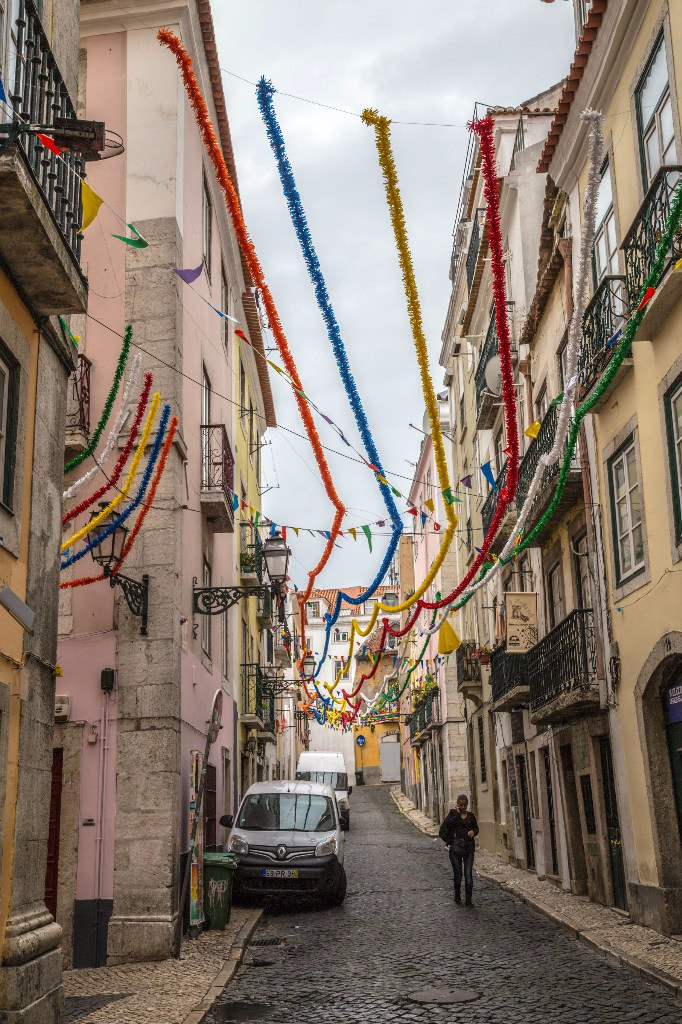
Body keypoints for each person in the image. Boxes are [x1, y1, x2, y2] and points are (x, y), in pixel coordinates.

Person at [439, 794, 479, 907]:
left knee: (468, 874)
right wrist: (456, 813)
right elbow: (447, 826)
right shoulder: (453, 814)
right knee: (458, 875)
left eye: (465, 805)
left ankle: (468, 901)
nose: (463, 807)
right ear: (457, 805)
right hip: (455, 849)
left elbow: (476, 828)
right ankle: (457, 895)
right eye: (461, 805)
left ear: (467, 805)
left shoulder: (471, 816)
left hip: (469, 848)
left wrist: (473, 832)